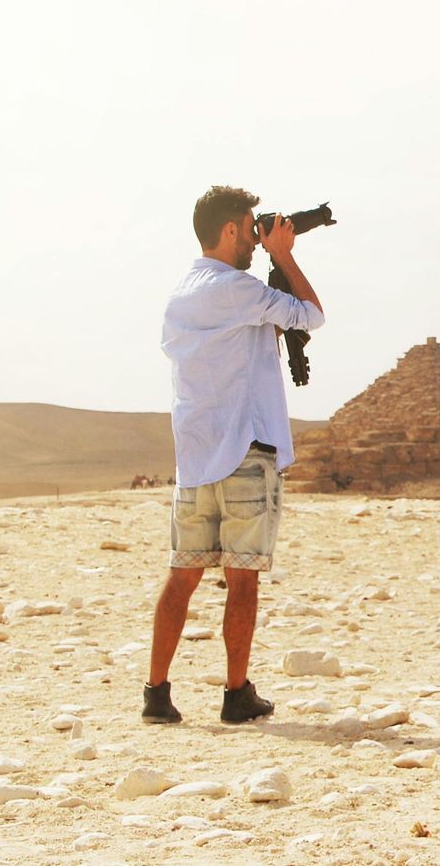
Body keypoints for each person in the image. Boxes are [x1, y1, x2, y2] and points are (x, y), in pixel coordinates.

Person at [143, 185, 325, 724]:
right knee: (242, 577)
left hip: (195, 457)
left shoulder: (179, 295)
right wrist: (285, 255)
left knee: (183, 573)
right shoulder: (238, 290)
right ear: (229, 230)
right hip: (246, 449)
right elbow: (310, 315)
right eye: (250, 229)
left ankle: (156, 694)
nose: (255, 239)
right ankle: (236, 693)